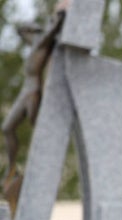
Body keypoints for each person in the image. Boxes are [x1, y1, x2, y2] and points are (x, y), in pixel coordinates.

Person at [2, 5, 68, 205]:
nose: (24, 38)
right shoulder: (33, 47)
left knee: (37, 131)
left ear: (34, 32)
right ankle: (11, 168)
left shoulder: (41, 42)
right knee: (6, 128)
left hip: (33, 93)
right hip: (25, 91)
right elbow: (26, 31)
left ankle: (38, 167)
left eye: (26, 33)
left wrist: (58, 19)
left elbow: (52, 32)